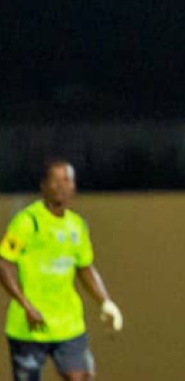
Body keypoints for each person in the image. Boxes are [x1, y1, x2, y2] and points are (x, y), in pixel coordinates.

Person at [0, 162, 123, 381]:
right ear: (44, 186)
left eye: (67, 180)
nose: (61, 187)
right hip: (29, 327)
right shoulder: (27, 222)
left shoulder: (77, 225)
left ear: (74, 186)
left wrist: (105, 302)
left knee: (81, 376)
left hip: (69, 325)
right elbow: (3, 264)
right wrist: (25, 304)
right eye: (55, 181)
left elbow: (85, 267)